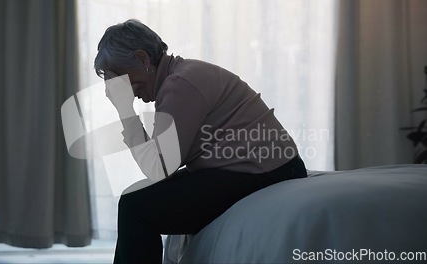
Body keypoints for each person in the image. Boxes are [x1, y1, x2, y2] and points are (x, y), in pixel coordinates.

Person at [94, 19, 307, 263]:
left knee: (136, 207)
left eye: (120, 79)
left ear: (143, 60)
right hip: (265, 168)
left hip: (268, 173)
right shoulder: (179, 77)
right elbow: (159, 160)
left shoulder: (180, 85)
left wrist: (125, 111)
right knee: (136, 198)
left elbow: (158, 168)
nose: (123, 90)